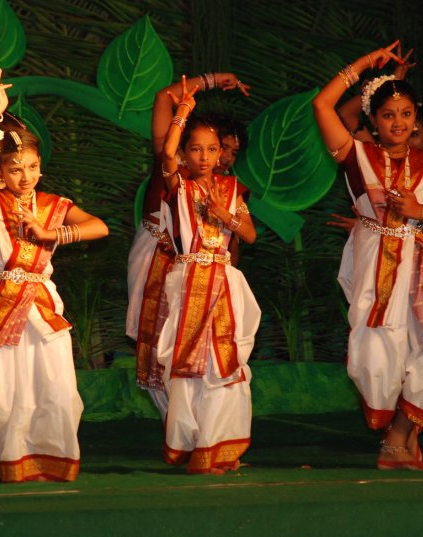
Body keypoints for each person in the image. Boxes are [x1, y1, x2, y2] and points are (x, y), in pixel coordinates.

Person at [312, 41, 423, 471]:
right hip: (373, 267)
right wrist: (367, 64)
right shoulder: (356, 156)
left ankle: (398, 441)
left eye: (406, 114)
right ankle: (398, 440)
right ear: (373, 119)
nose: (399, 122)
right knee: (376, 360)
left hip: (420, 270)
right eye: (388, 115)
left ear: (416, 116)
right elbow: (323, 105)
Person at [0, 68, 109, 483]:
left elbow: (99, 227)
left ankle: (46, 461)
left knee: (53, 388)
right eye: (15, 169)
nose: (25, 177)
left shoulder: (55, 204)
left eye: (33, 167)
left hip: (40, 308)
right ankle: (3, 460)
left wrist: (51, 233)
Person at [127, 72, 249, 420]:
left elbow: (235, 239)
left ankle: (203, 419)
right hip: (156, 251)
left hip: (207, 267)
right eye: (219, 147)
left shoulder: (226, 187)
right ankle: (175, 419)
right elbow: (163, 97)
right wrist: (213, 79)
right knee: (160, 337)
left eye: (231, 152)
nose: (224, 157)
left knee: (206, 338)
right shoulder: (173, 161)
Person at [154, 75, 260, 474]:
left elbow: (249, 234)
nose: (204, 157)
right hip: (189, 281)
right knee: (190, 365)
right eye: (195, 149)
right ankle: (194, 444)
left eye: (212, 150)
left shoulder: (231, 189)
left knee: (223, 363)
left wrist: (223, 215)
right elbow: (166, 153)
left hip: (225, 283)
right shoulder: (178, 185)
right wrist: (183, 111)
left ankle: (219, 446)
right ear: (185, 154)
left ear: (220, 155)